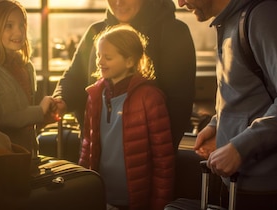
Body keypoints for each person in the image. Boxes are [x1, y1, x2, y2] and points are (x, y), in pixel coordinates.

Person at [177, 0, 277, 209]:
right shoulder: (229, 22)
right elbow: (244, 92)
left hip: (276, 187)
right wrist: (217, 125)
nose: (180, 2)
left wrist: (241, 147)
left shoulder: (268, 16)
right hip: (242, 180)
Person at [53, 0, 197, 150]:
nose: (119, 2)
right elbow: (75, 78)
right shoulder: (96, 31)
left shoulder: (174, 33)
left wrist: (157, 154)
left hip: (146, 157)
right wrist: (60, 100)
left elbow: (179, 103)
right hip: (97, 153)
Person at [78, 25, 175, 210]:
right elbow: (87, 146)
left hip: (136, 200)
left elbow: (164, 160)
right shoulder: (94, 96)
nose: (100, 62)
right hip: (100, 196)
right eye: (99, 56)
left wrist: (160, 204)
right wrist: (83, 188)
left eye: (108, 57)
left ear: (130, 61)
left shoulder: (150, 98)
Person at [0, 0, 56, 151]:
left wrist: (44, 116)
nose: (19, 32)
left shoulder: (26, 67)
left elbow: (27, 122)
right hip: (1, 165)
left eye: (22, 25)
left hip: (29, 158)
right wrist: (37, 112)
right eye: (9, 25)